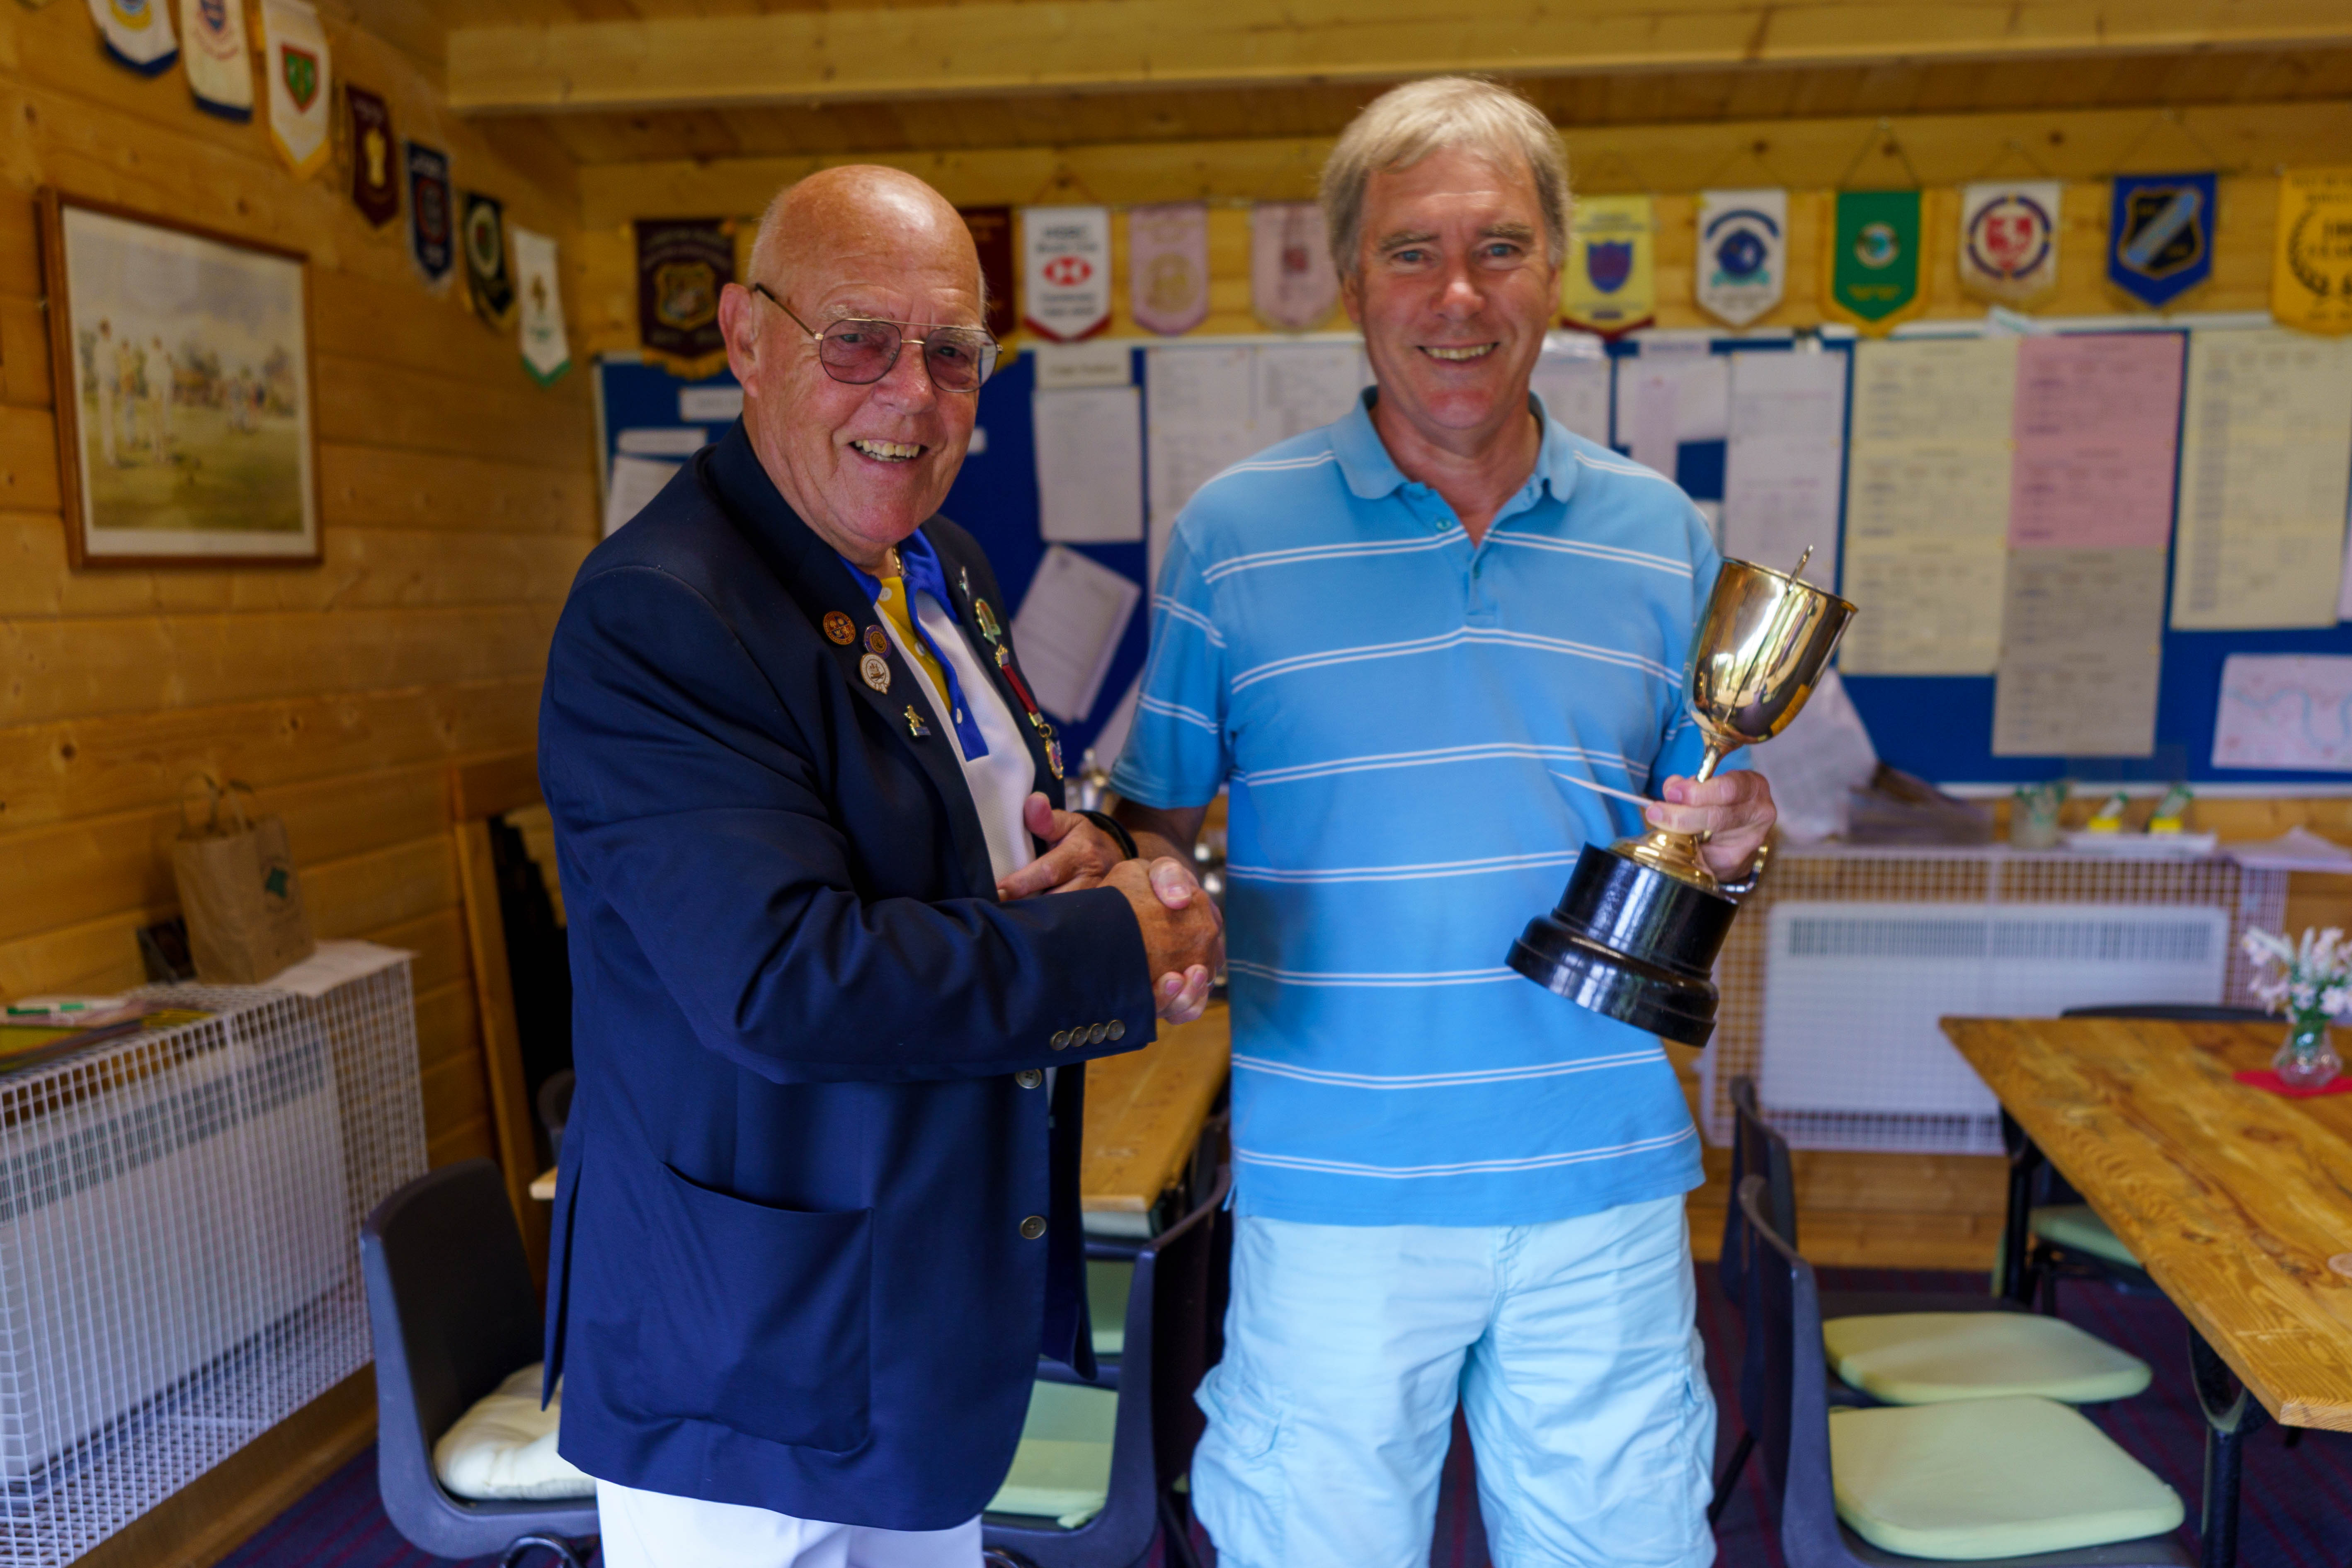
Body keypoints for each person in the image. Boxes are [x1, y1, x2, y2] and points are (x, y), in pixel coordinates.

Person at [1107, 78, 1777, 1568]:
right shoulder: (1229, 534)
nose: (1457, 295)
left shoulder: (1661, 536)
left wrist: (1740, 836)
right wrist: (1158, 894)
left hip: (1595, 1175)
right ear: (1351, 279)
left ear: (1555, 270)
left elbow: (1699, 828)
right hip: (1333, 1185)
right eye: (1411, 251)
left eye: (1500, 247)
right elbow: (1150, 812)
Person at [536, 164, 1223, 1568]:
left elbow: (979, 836)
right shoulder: (657, 614)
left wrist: (1089, 857)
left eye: (953, 352)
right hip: (748, 1344)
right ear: (744, 337)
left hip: (925, 1290)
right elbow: (787, 982)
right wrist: (1118, 947)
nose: (910, 393)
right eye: (857, 338)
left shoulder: (938, 560)